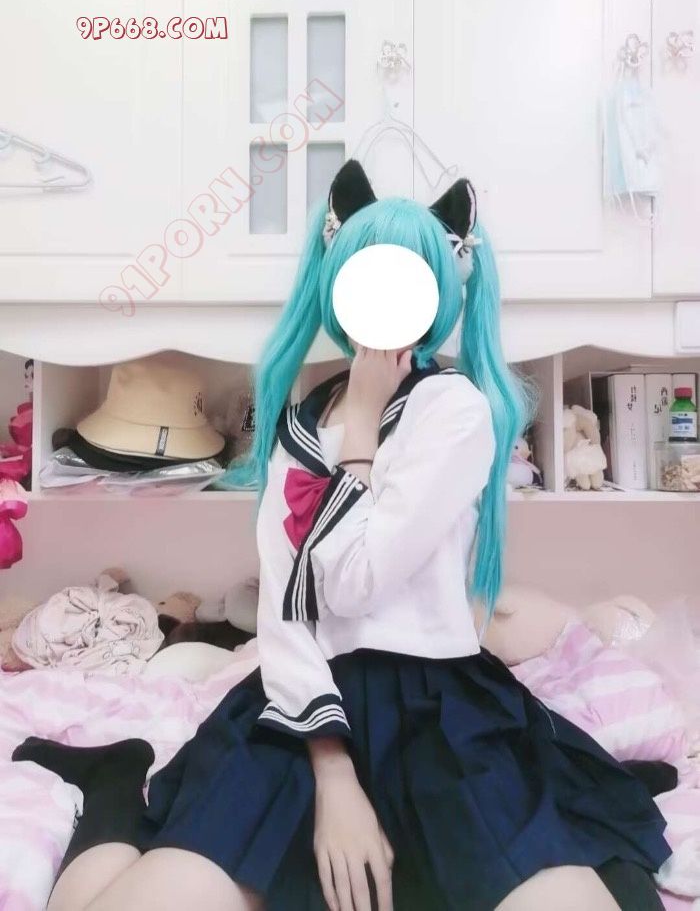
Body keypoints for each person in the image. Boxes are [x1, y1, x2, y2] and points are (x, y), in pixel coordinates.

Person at [13, 161, 670, 911]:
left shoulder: (453, 411)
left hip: (438, 713)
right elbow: (286, 608)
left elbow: (359, 583)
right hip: (303, 704)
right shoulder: (300, 423)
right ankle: (113, 784)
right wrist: (331, 770)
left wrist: (359, 436)